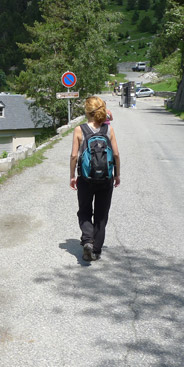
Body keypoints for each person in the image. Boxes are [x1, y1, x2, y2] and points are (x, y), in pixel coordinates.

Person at [70, 96, 121, 261]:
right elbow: (116, 154)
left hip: (85, 178)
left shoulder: (80, 129)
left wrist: (72, 176)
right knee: (101, 214)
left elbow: (73, 156)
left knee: (84, 210)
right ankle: (96, 249)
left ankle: (87, 240)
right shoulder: (108, 130)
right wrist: (117, 175)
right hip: (106, 178)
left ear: (87, 111)